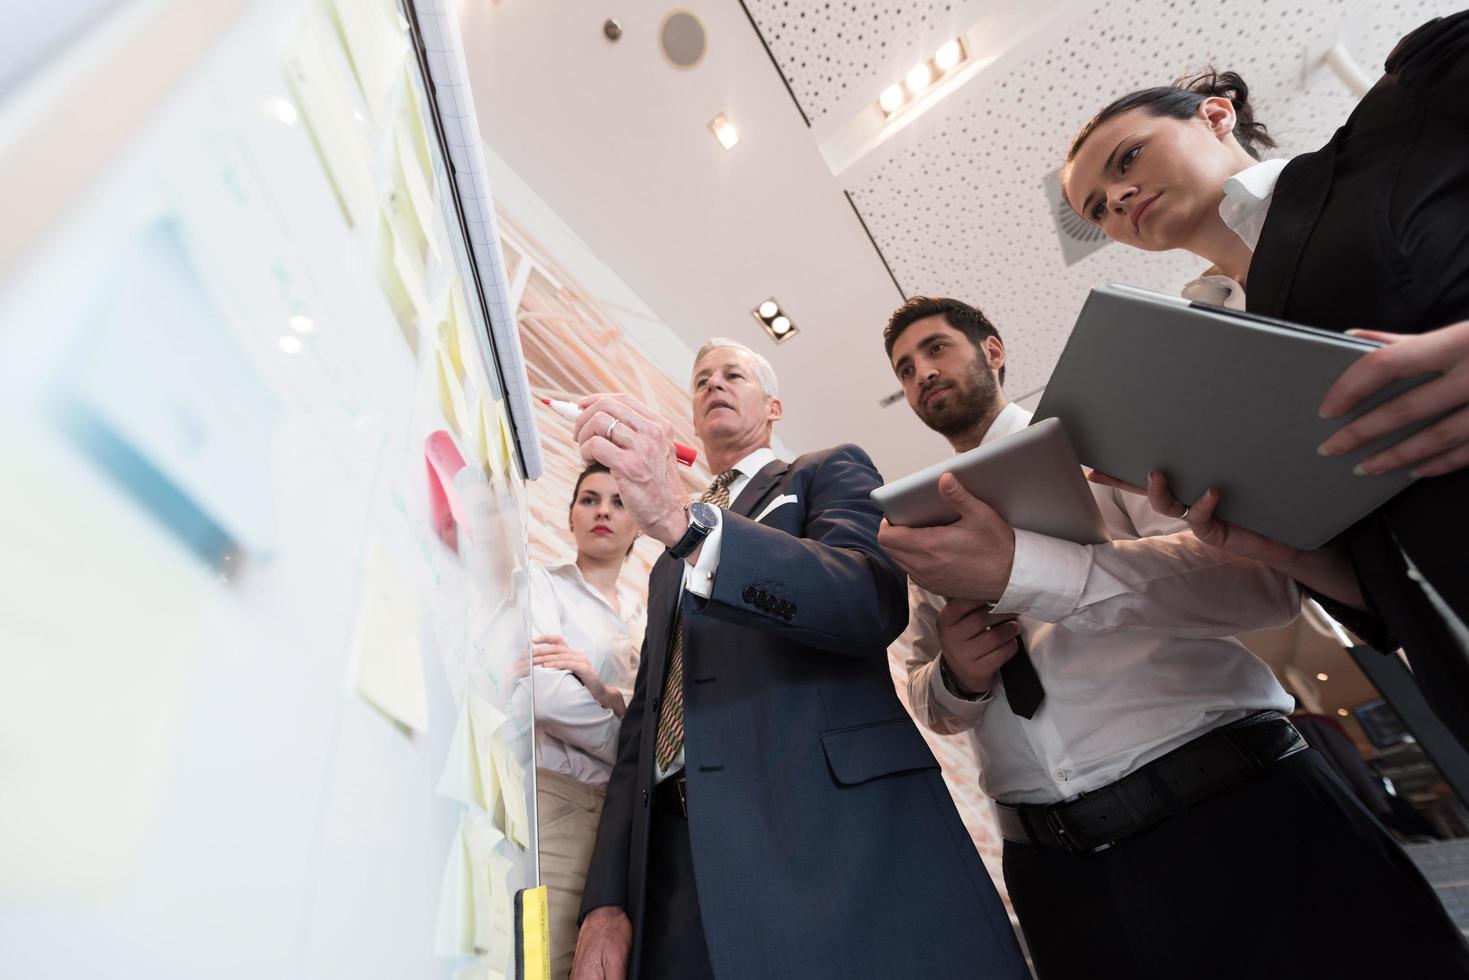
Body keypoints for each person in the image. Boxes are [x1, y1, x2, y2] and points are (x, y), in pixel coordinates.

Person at [877, 296, 1469, 979]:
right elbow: (930, 700)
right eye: (904, 368)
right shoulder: (919, 531)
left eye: (935, 348)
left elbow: (1258, 581)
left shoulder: (1098, 439)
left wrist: (1030, 571)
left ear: (992, 349)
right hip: (1061, 879)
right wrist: (957, 675)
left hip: (1236, 818)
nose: (922, 372)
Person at [1061, 12, 1469, 746]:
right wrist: (1280, 549)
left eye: (1125, 160)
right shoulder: (1204, 367)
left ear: (1215, 116)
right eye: (1095, 208)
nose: (1115, 201)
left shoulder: (1391, 136)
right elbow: (1381, 584)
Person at [566, 338, 1026, 980]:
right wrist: (607, 900)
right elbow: (644, 721)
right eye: (701, 381)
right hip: (675, 869)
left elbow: (868, 599)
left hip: (823, 836)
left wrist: (688, 524)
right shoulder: (667, 565)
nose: (714, 385)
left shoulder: (825, 471)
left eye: (733, 374)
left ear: (774, 405)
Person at [528, 463, 647, 978]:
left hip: (631, 827)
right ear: (570, 516)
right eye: (590, 499)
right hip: (560, 799)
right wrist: (632, 747)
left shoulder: (650, 617)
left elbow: (665, 719)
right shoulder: (540, 583)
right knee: (538, 960)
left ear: (640, 527)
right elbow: (545, 696)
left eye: (620, 502)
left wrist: (605, 694)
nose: (603, 510)